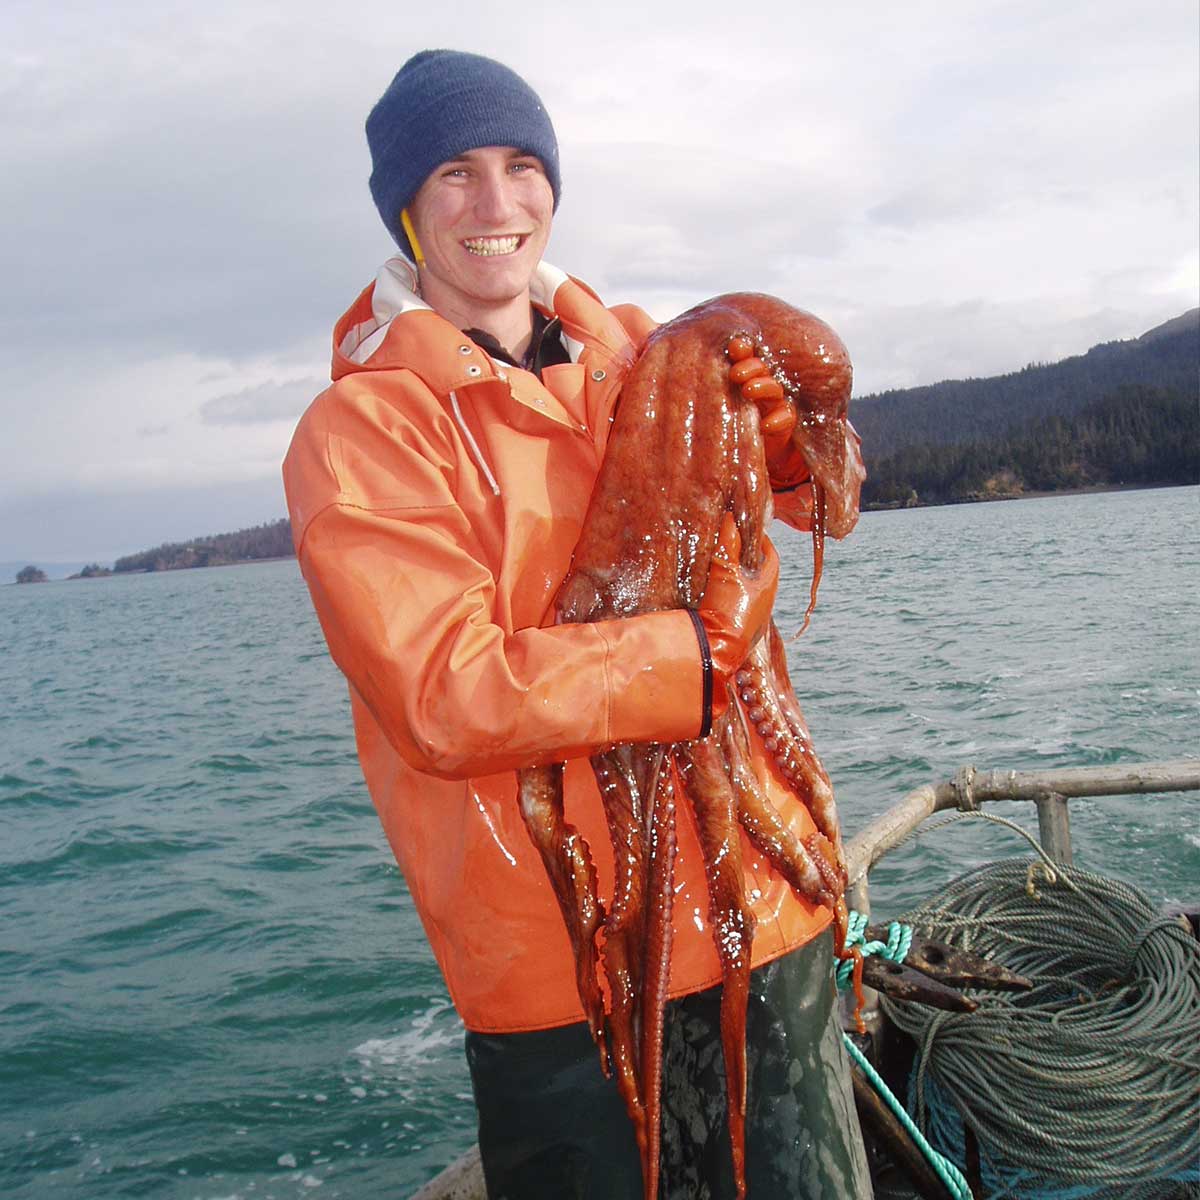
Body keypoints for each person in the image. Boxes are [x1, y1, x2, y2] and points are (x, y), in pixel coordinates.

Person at [283, 49, 870, 1200]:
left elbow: (815, 509)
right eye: (455, 173)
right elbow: (449, 693)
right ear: (405, 205)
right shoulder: (363, 434)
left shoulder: (646, 355)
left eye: (520, 166)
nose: (497, 205)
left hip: (765, 898)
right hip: (565, 969)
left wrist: (787, 439)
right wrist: (693, 660)